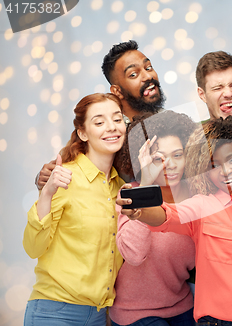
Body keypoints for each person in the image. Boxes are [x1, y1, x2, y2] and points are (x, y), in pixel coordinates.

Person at [117, 115, 232, 324]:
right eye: (215, 165)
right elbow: (165, 215)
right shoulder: (202, 206)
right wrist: (138, 209)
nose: (225, 171)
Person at [23, 93, 126, 325]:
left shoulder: (119, 187)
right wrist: (46, 194)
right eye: (99, 122)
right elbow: (32, 247)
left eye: (117, 119)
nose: (111, 127)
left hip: (99, 316)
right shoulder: (64, 178)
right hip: (55, 312)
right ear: (82, 133)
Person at [36, 40, 165, 188]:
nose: (148, 76)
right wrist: (44, 177)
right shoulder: (107, 132)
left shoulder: (171, 121)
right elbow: (66, 169)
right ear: (117, 91)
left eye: (149, 67)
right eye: (133, 74)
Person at [109, 111, 198, 326]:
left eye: (178, 155)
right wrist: (146, 184)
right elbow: (134, 255)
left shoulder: (197, 196)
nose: (170, 164)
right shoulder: (130, 194)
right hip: (135, 312)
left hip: (182, 304)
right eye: (159, 158)